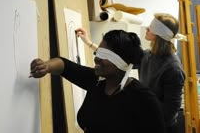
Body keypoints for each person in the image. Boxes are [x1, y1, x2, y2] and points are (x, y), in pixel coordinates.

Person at [30, 29, 165, 133]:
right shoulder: (97, 82)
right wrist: (46, 66)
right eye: (98, 52)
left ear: (121, 63)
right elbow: (64, 65)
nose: (96, 58)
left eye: (104, 55)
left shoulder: (144, 100)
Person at [76, 13, 186, 133]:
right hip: (145, 119)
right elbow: (116, 58)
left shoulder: (173, 69)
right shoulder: (149, 55)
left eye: (151, 27)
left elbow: (169, 113)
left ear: (159, 35)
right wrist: (89, 43)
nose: (147, 29)